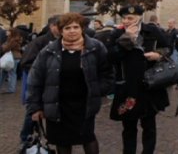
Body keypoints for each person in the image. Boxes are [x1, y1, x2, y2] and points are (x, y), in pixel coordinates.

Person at [26, 12, 114, 154]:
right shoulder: (49, 50)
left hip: (84, 105)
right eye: (67, 28)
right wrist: (35, 107)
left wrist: (98, 90)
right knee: (62, 141)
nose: (72, 31)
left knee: (87, 137)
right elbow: (35, 80)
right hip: (57, 104)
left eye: (75, 27)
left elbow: (107, 73)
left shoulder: (95, 47)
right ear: (61, 31)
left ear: (82, 29)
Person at [109, 5, 172, 154]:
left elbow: (168, 47)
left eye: (130, 18)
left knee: (149, 125)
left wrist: (159, 55)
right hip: (127, 87)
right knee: (128, 127)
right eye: (124, 18)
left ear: (139, 18)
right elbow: (110, 56)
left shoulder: (152, 30)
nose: (126, 21)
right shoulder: (117, 33)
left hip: (149, 85)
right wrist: (126, 39)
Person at [19, 14, 61, 147]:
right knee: (33, 112)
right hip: (41, 85)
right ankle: (25, 137)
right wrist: (43, 73)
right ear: (52, 26)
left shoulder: (65, 41)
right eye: (59, 26)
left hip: (58, 86)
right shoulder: (40, 42)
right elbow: (26, 63)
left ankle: (54, 137)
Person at [0, 27, 23, 94]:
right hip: (13, 57)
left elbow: (6, 48)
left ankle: (11, 89)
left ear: (12, 32)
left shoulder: (13, 40)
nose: (6, 32)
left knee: (11, 73)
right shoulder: (12, 39)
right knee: (5, 73)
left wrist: (3, 46)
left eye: (8, 31)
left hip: (12, 57)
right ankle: (11, 88)